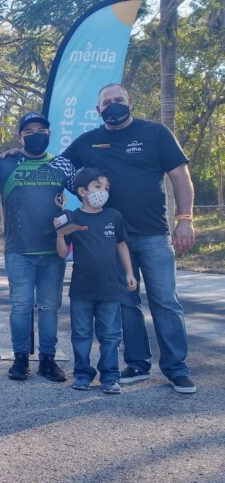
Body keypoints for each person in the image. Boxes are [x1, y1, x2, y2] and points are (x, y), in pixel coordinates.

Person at [62, 83, 197, 394]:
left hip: (154, 234)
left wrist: (185, 220)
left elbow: (180, 176)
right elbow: (59, 166)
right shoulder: (89, 142)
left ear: (130, 101)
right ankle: (137, 363)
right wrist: (20, 154)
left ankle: (177, 368)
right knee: (126, 303)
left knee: (166, 302)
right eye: (106, 102)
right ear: (98, 111)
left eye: (118, 100)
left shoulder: (156, 133)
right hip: (112, 238)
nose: (113, 105)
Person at [0, 111, 75, 383]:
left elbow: (89, 190)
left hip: (54, 251)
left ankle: (48, 361)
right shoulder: (5, 165)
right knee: (21, 307)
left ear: (49, 134)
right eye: (29, 131)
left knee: (50, 307)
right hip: (19, 251)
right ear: (20, 136)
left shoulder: (63, 165)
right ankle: (20, 359)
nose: (36, 134)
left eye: (41, 130)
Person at [55, 168, 137, 394]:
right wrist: (60, 235)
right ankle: (82, 374)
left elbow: (121, 244)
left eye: (106, 188)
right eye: (98, 187)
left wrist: (129, 272)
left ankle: (110, 376)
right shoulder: (72, 217)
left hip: (110, 288)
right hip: (81, 289)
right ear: (82, 191)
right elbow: (62, 253)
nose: (103, 192)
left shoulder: (114, 216)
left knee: (110, 335)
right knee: (81, 334)